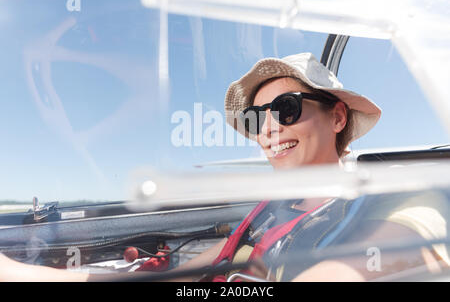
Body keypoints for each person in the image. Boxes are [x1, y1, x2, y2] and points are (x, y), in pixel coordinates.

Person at [0, 52, 448, 282]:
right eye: (256, 118)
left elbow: (396, 251)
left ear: (337, 116)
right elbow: (196, 273)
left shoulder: (400, 200)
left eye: (287, 108)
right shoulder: (269, 212)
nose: (269, 128)